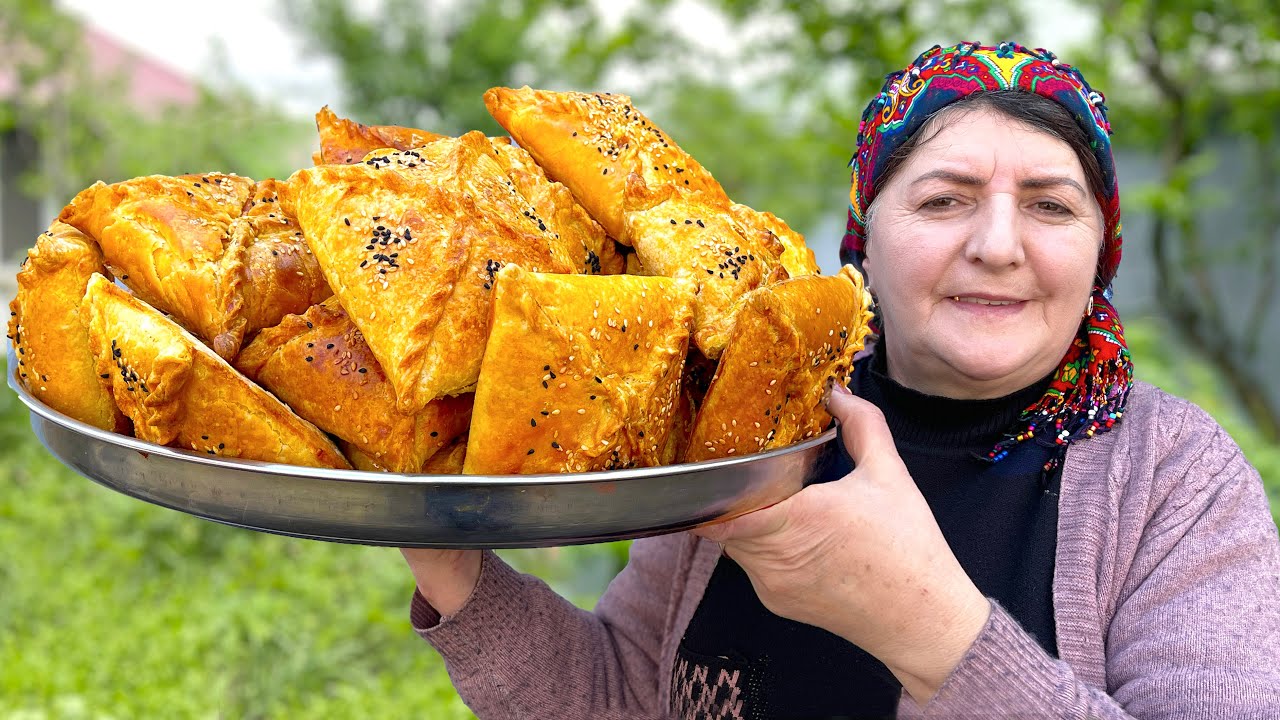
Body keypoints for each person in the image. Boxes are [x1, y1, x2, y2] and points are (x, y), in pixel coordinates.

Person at [399, 42, 1280, 719]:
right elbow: (623, 696)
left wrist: (930, 631)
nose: (999, 245)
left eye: (1051, 205)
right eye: (944, 200)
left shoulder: (1173, 480)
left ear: (1101, 249)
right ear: (864, 235)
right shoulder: (752, 418)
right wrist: (455, 571)